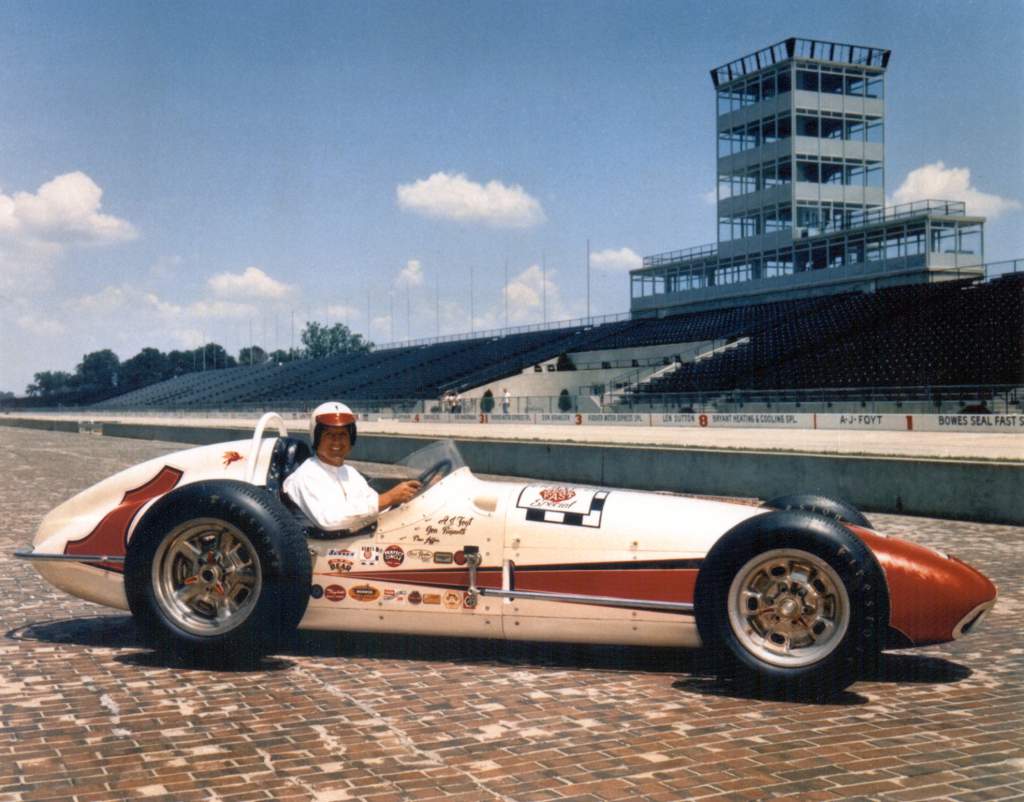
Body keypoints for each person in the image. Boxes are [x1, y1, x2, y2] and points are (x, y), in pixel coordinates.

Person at [284, 401, 420, 532]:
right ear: (317, 437)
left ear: (351, 438)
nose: (336, 441)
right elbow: (330, 520)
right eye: (329, 434)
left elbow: (375, 505)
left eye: (343, 434)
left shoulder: (351, 473)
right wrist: (388, 498)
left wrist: (411, 494)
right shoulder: (307, 475)